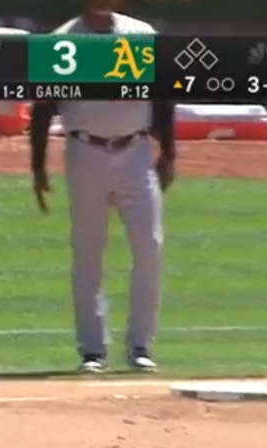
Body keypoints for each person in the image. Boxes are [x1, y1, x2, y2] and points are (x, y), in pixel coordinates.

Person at [28, 0, 175, 373]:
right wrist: (37, 166)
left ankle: (141, 346)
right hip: (85, 150)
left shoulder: (141, 36)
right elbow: (43, 107)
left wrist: (169, 153)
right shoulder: (62, 40)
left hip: (136, 149)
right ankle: (93, 350)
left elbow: (162, 96)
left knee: (150, 248)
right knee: (88, 254)